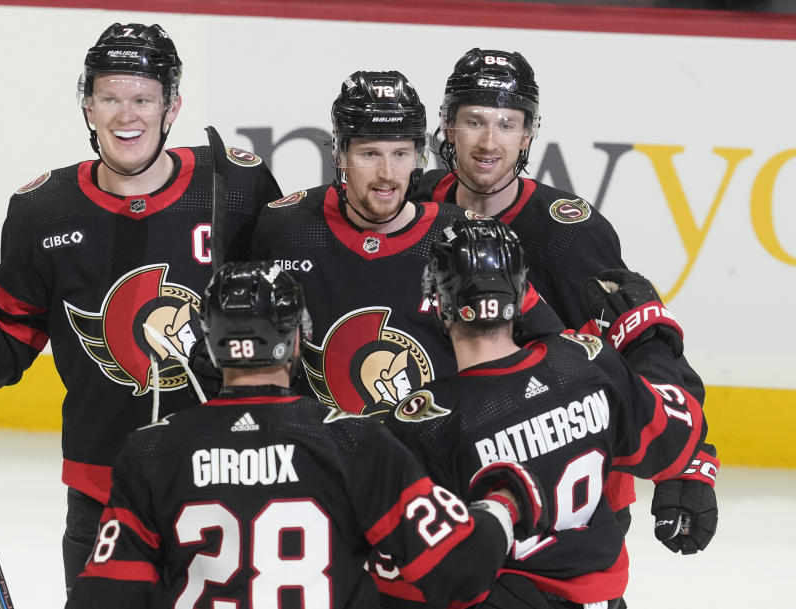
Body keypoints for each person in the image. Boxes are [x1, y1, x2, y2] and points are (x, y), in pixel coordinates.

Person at [0, 22, 282, 594]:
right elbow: (7, 324)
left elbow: (296, 305)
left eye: (144, 99)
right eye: (110, 98)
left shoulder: (235, 188)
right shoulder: (44, 211)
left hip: (229, 474)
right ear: (87, 105)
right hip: (104, 487)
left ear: (173, 107)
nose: (128, 116)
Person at [65, 260, 547, 609]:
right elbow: (457, 570)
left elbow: (107, 595)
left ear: (211, 348)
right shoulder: (355, 442)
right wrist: (503, 506)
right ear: (296, 341)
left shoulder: (152, 449)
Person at [423, 48, 713, 551]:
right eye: (474, 121)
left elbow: (639, 335)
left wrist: (689, 465)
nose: (489, 142)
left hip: (563, 491)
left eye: (507, 124)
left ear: (529, 134)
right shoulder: (417, 205)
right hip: (447, 466)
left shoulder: (567, 233)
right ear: (448, 127)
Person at [378, 217, 716, 608]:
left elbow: (402, 571)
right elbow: (677, 433)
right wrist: (647, 341)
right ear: (522, 295)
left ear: (438, 303)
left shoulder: (428, 421)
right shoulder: (586, 360)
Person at [248, 70, 563, 414]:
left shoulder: (466, 238)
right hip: (324, 459)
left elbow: (549, 345)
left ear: (418, 156)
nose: (387, 173)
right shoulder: (284, 227)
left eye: (400, 154)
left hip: (435, 454)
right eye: (370, 154)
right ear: (340, 155)